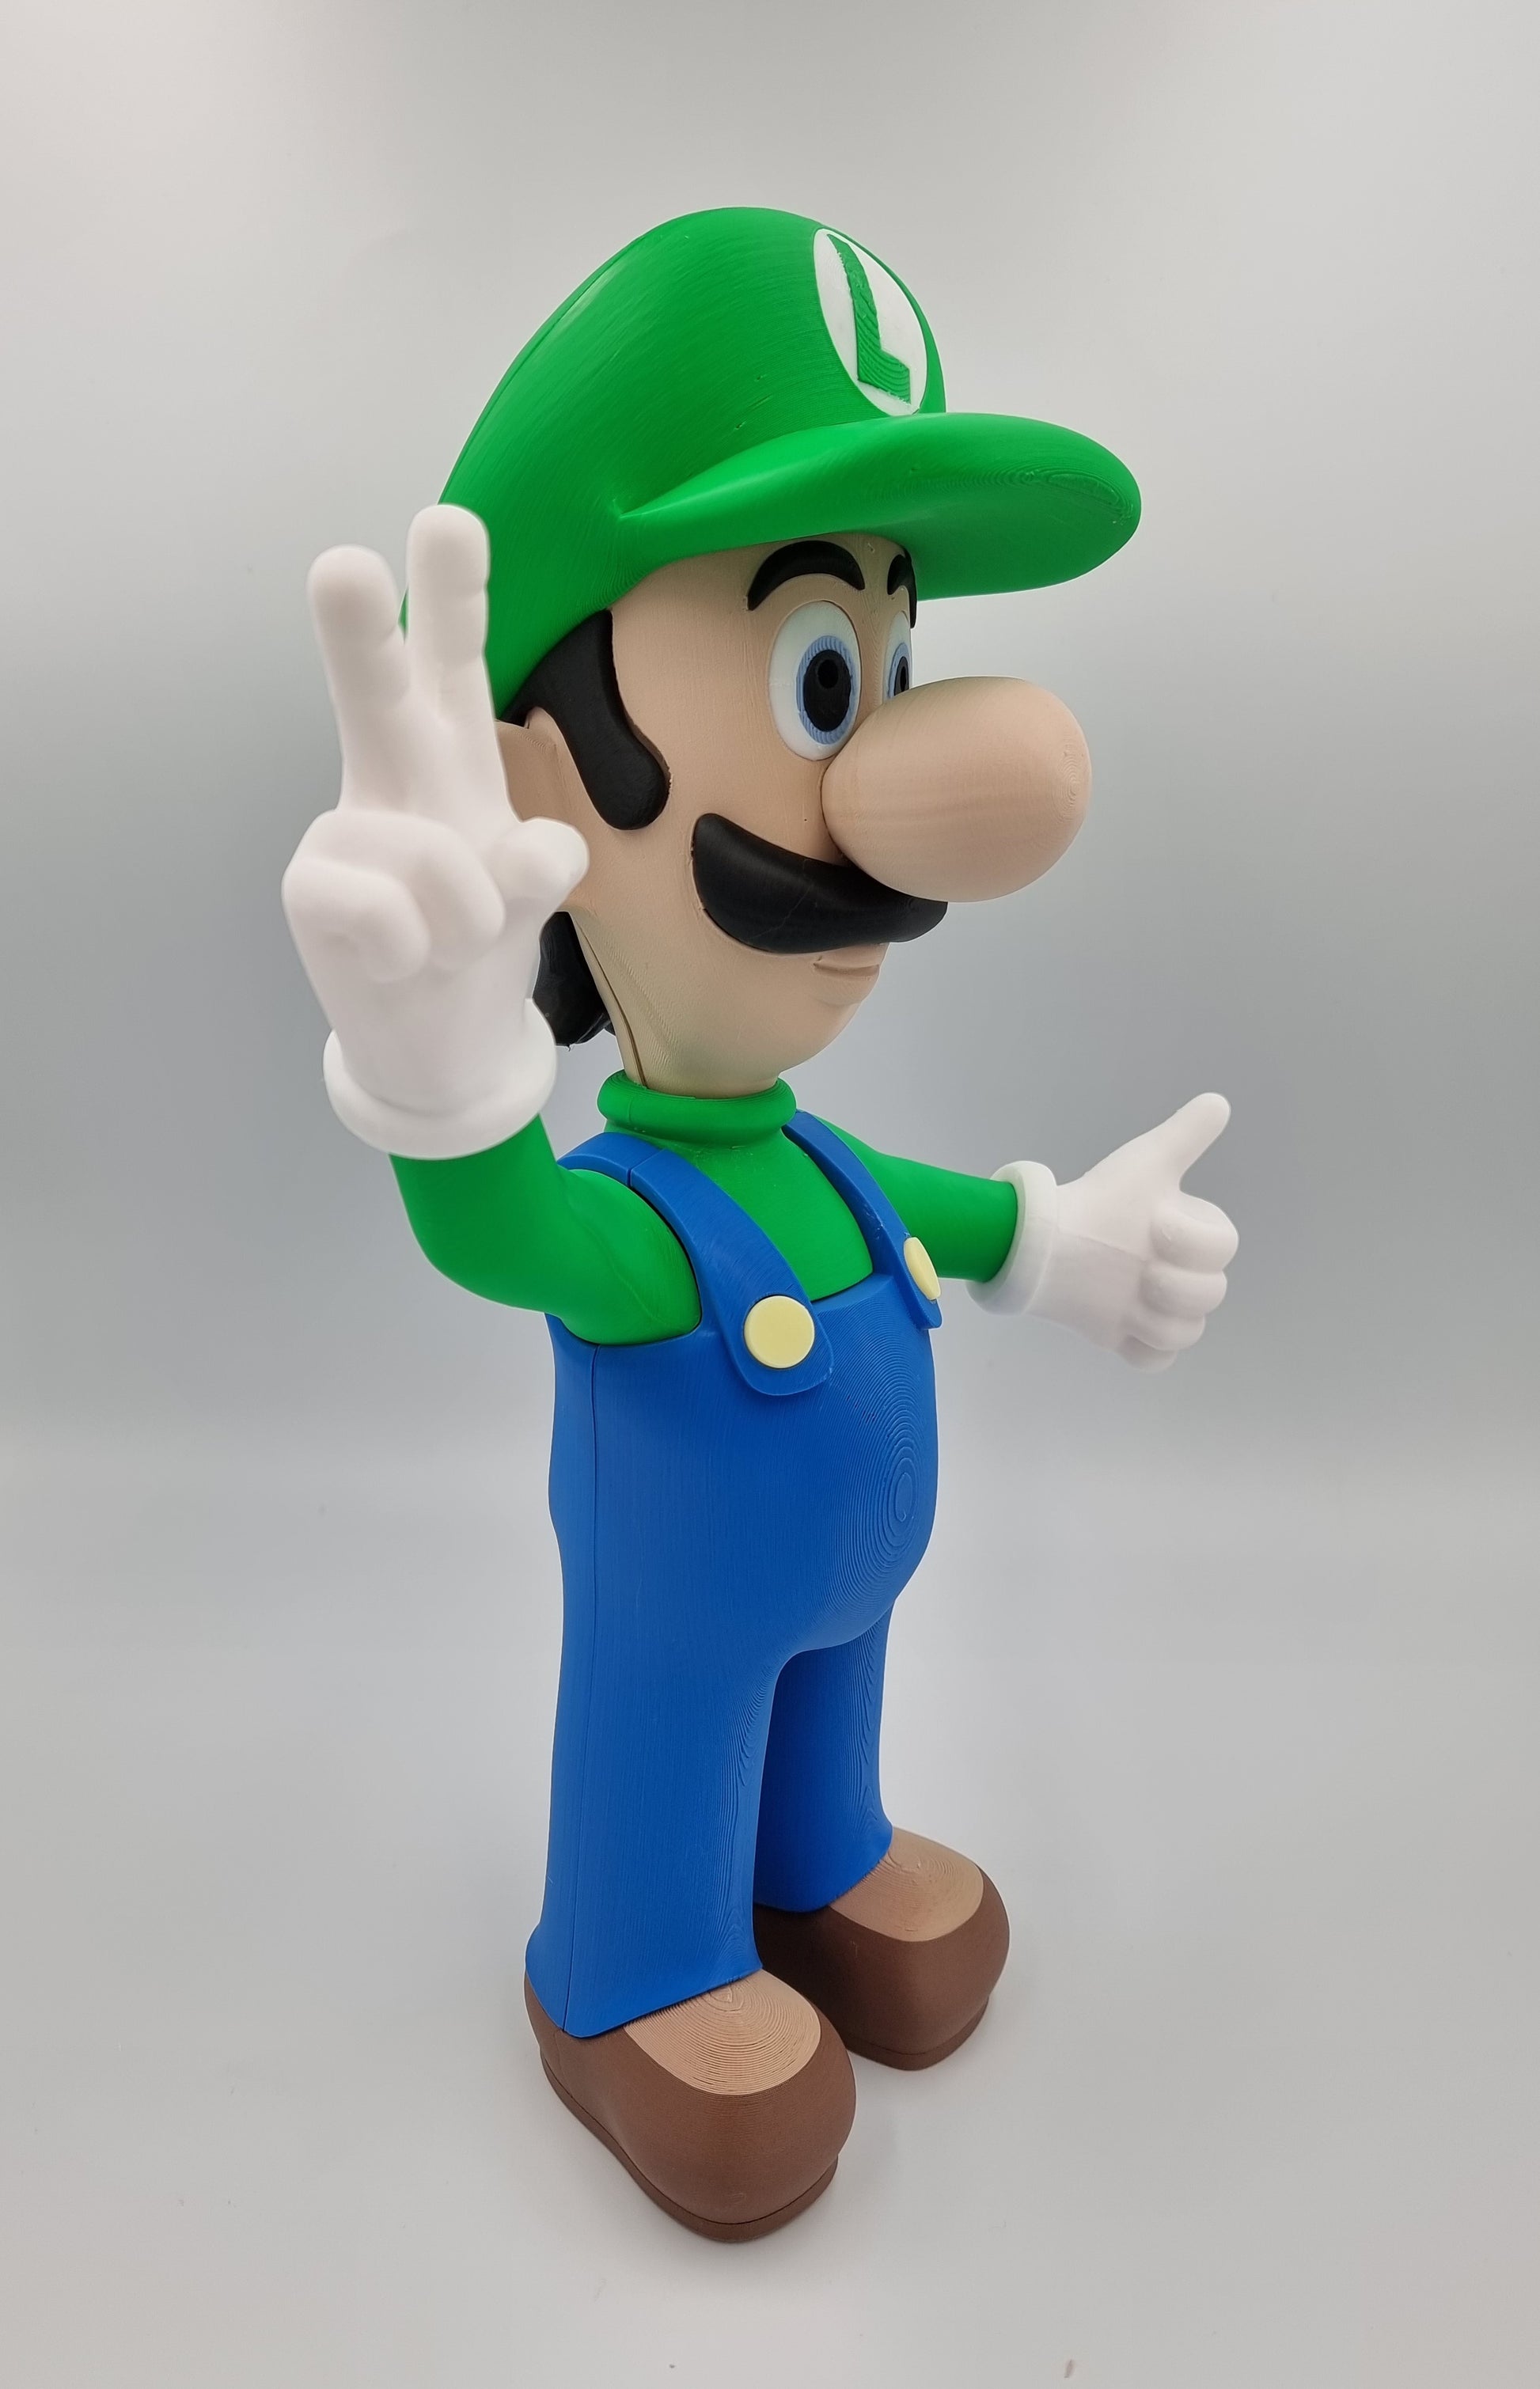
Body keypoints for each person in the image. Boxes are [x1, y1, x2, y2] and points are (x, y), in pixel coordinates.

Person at [283, 207, 1238, 2239]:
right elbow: (504, 1238)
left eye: (887, 666)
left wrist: (1053, 1237)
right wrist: (446, 1088)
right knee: (670, 1723)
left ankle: (814, 1862)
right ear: (543, 770)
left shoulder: (811, 1161)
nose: (902, 775)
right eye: (820, 678)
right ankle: (627, 1965)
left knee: (821, 1719)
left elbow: (935, 1213)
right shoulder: (638, 1212)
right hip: (678, 1609)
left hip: (845, 1586)